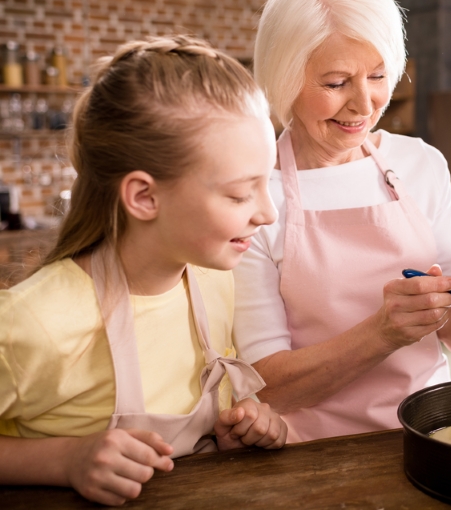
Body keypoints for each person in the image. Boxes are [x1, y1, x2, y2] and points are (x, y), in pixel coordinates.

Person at [0, 35, 288, 505]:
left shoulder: (212, 280)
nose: (268, 212)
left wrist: (239, 426)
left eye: (267, 183)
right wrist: (66, 461)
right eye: (240, 194)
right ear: (144, 197)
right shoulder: (33, 323)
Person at [233, 0, 451, 442]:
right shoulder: (256, 194)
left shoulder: (420, 164)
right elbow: (269, 387)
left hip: (431, 433)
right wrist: (381, 333)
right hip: (311, 454)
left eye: (378, 76)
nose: (364, 104)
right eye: (336, 82)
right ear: (285, 79)